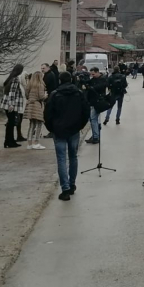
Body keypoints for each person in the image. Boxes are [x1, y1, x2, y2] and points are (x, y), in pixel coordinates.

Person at [44, 71, 91, 201]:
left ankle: (65, 189)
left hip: (59, 130)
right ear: (71, 80)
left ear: (60, 80)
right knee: (73, 157)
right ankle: (72, 184)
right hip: (74, 129)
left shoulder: (55, 94)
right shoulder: (78, 93)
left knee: (61, 159)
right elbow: (86, 111)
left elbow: (47, 114)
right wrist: (80, 125)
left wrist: (52, 128)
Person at [1, 64, 26, 148]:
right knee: (11, 123)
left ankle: (8, 141)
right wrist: (11, 104)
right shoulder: (15, 79)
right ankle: (10, 141)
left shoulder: (10, 78)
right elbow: (12, 92)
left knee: (10, 123)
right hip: (11, 104)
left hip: (6, 103)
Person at [84, 67, 110, 144]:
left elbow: (99, 87)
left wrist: (89, 87)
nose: (92, 76)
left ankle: (95, 136)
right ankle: (96, 134)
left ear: (98, 72)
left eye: (93, 74)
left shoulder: (103, 79)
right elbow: (88, 82)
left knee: (93, 119)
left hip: (98, 102)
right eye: (91, 74)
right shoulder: (93, 79)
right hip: (92, 102)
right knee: (93, 119)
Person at [23, 70, 48, 150]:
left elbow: (26, 95)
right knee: (39, 124)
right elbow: (41, 97)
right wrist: (46, 95)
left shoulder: (29, 84)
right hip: (37, 105)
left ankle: (29, 143)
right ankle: (36, 142)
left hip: (30, 105)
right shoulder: (40, 85)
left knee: (32, 125)